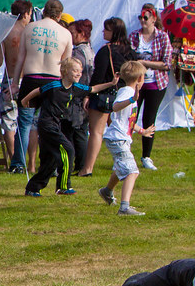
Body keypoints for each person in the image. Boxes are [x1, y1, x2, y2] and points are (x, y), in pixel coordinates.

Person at [20, 58, 118, 197]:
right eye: (75, 71)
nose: (79, 74)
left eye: (80, 71)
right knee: (68, 149)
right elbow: (38, 90)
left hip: (56, 124)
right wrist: (25, 100)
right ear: (65, 71)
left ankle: (33, 188)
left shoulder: (76, 88)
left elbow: (93, 89)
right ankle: (63, 186)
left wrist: (111, 83)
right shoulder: (54, 85)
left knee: (50, 160)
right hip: (47, 124)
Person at [12, 0, 72, 175]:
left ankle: (18, 164)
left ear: (43, 12)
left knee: (24, 123)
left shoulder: (30, 28)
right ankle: (49, 165)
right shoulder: (65, 33)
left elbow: (21, 58)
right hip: (53, 80)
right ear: (59, 15)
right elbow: (67, 65)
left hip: (31, 77)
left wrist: (15, 83)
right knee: (50, 124)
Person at [78, 17, 138, 176]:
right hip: (125, 96)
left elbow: (98, 76)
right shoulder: (130, 52)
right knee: (123, 131)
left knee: (96, 132)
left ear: (114, 32)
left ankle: (87, 168)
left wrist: (89, 94)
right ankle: (122, 162)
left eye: (107, 29)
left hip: (106, 95)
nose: (103, 32)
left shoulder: (106, 51)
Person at [98, 60, 154, 216]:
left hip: (120, 138)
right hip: (118, 139)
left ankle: (107, 191)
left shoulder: (129, 92)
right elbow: (115, 107)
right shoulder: (127, 92)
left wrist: (142, 131)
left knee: (121, 167)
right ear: (140, 78)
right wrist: (132, 99)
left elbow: (128, 120)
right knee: (132, 171)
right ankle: (124, 207)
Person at [128, 4, 173, 170]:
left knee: (149, 119)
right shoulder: (134, 36)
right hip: (137, 83)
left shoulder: (162, 37)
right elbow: (129, 58)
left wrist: (145, 63)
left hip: (156, 83)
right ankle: (125, 154)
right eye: (140, 18)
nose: (143, 21)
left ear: (154, 19)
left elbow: (167, 64)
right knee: (131, 117)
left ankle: (146, 156)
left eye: (146, 18)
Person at [3, 0, 33, 173]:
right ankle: (28, 162)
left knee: (9, 121)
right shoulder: (31, 32)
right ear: (26, 13)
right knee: (27, 122)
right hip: (26, 79)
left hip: (9, 78)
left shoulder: (6, 31)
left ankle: (14, 159)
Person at [67, 19, 95, 169]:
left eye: (72, 33)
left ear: (82, 33)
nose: (70, 36)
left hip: (78, 94)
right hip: (86, 92)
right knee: (81, 130)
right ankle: (80, 163)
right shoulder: (90, 49)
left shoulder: (78, 52)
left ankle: (79, 164)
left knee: (77, 131)